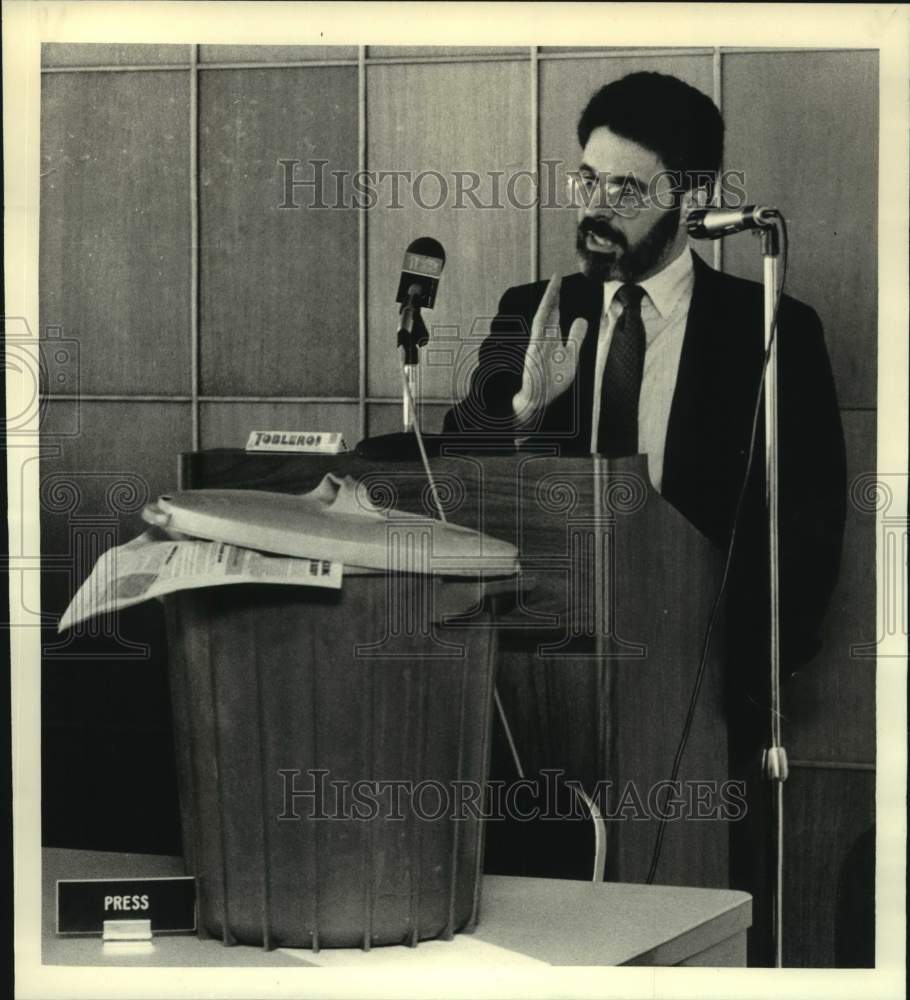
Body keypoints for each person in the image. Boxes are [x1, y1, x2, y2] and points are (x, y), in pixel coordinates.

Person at [442, 71, 847, 961]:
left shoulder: (774, 330)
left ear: (692, 195)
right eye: (587, 179)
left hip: (695, 716)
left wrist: (733, 698)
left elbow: (810, 538)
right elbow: (449, 492)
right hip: (528, 711)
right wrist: (520, 416)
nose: (596, 205)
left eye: (626, 188)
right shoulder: (530, 314)